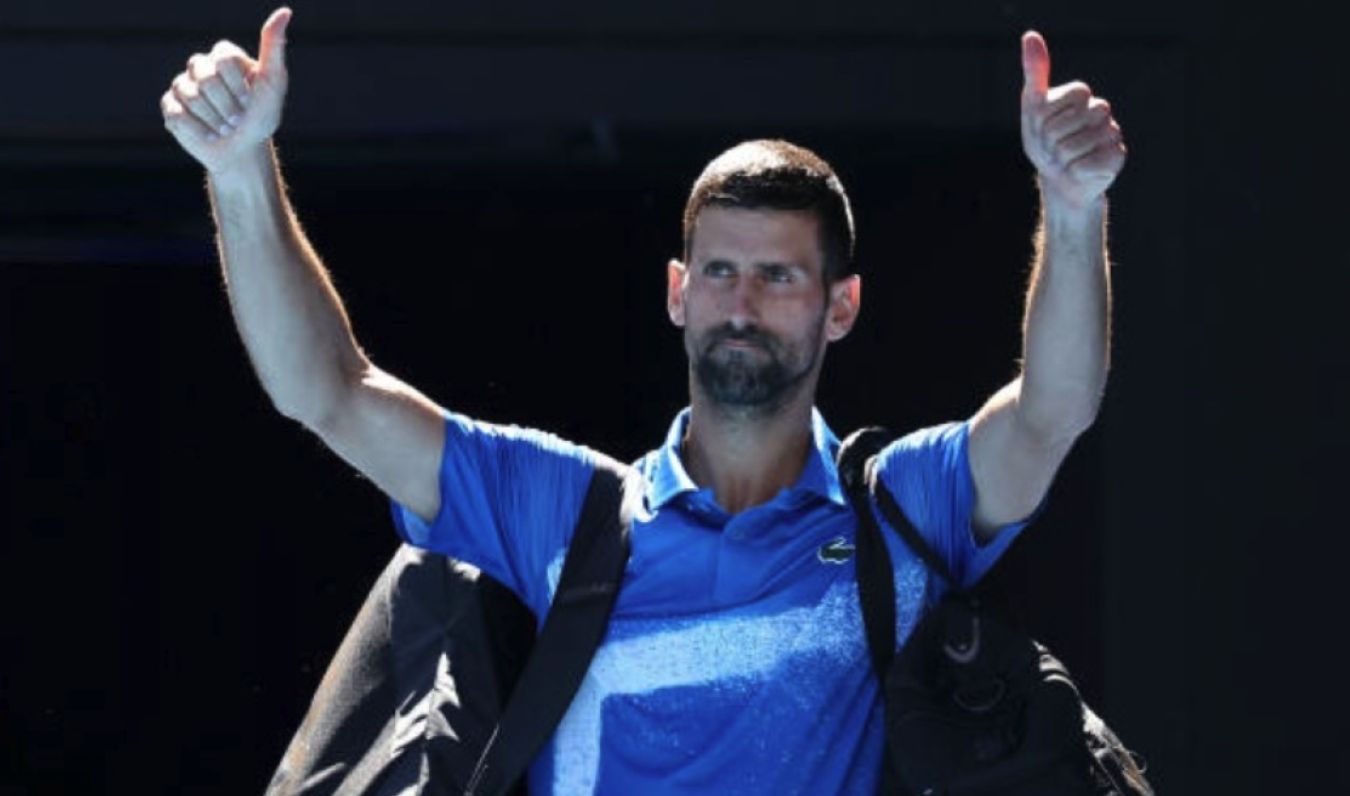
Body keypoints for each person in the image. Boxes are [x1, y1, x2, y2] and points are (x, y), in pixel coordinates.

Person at [161, 7, 1126, 795]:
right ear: (677, 291)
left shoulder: (903, 515)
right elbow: (328, 393)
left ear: (842, 307)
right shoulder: (568, 515)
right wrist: (240, 169)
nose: (741, 305)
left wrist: (1074, 207)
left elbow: (1054, 410)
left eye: (778, 277)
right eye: (718, 271)